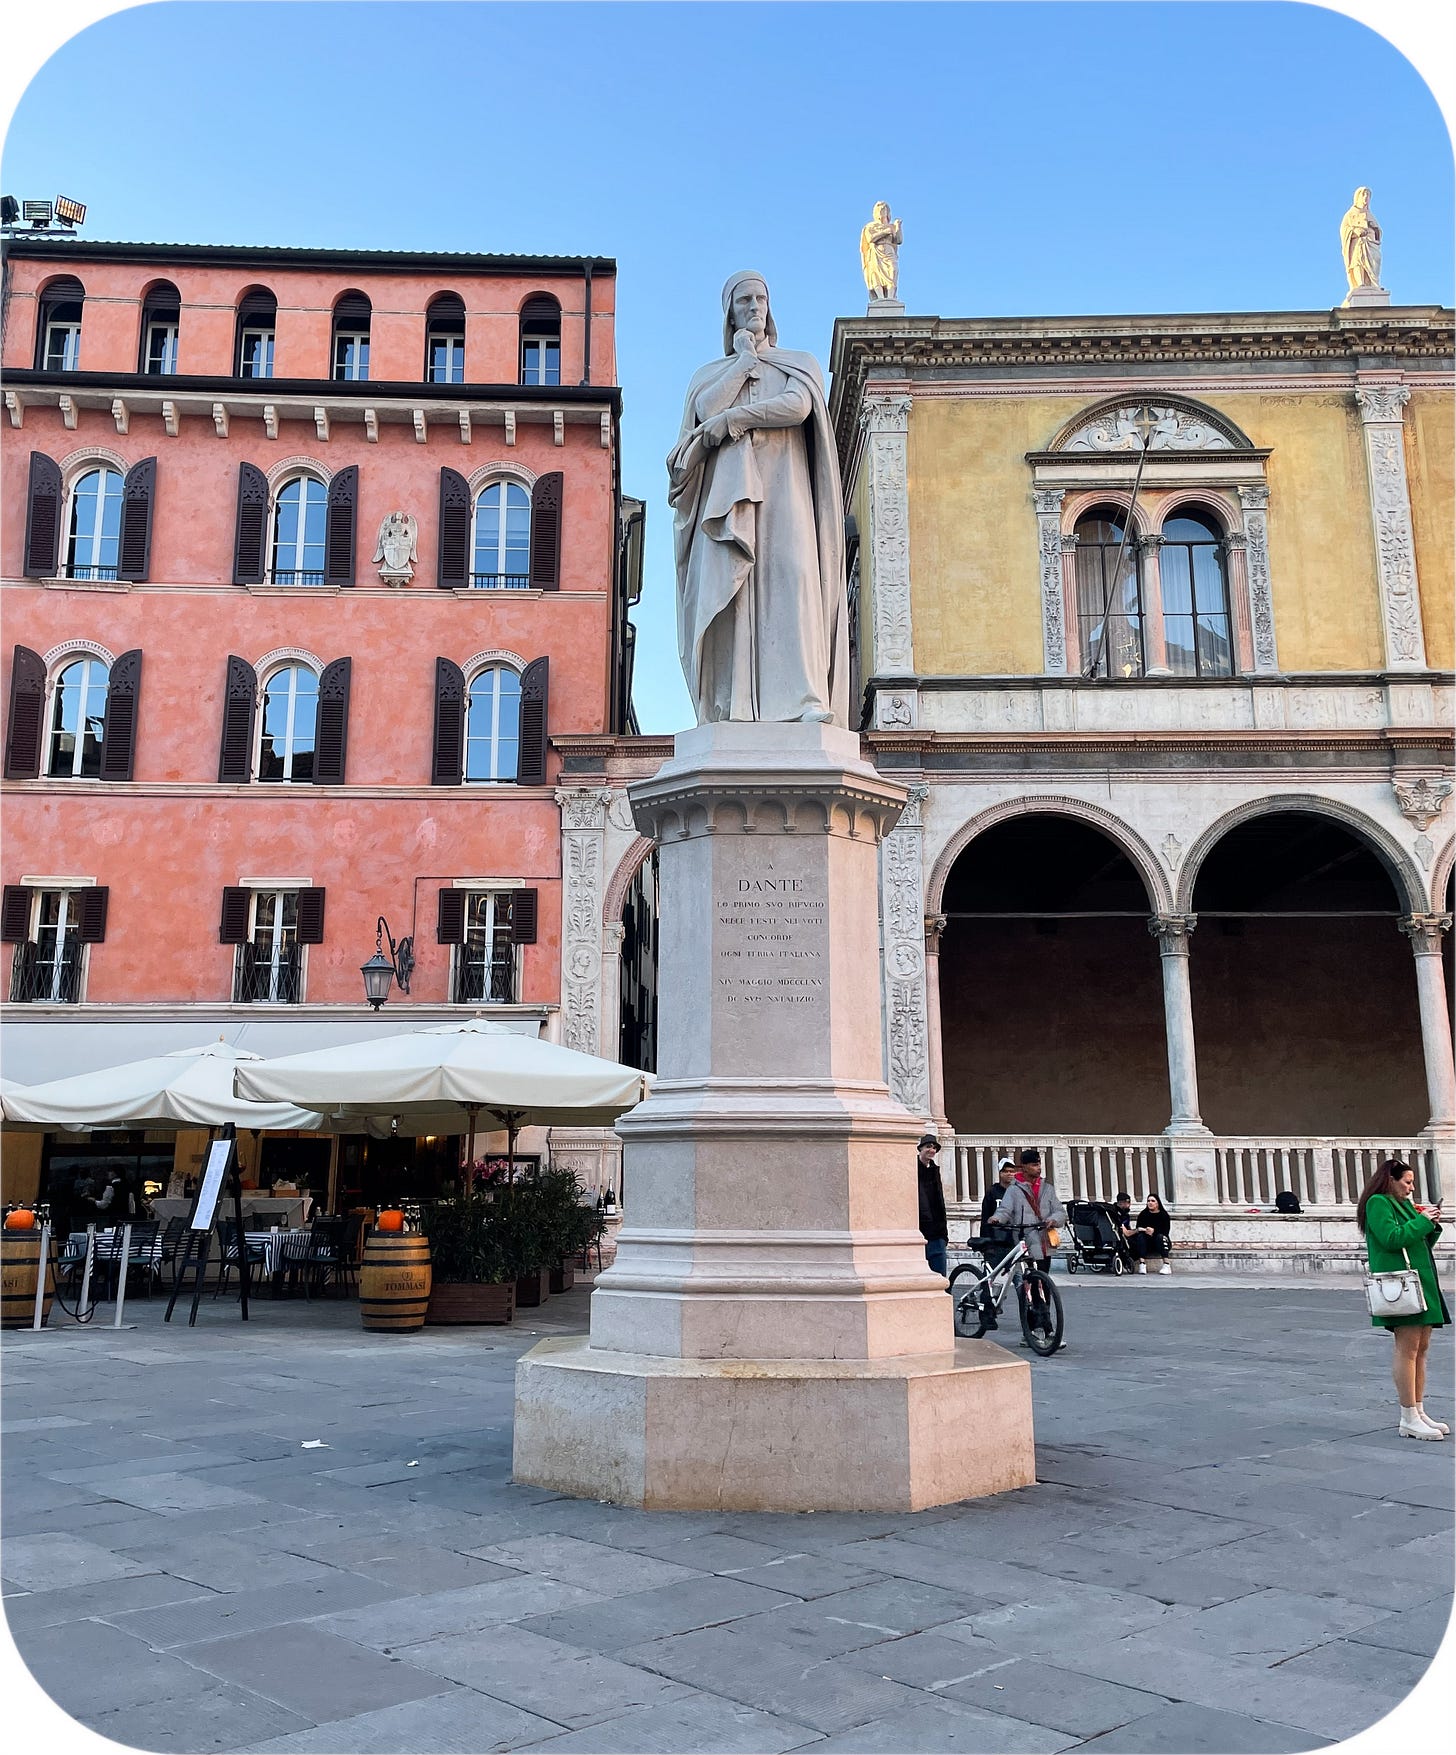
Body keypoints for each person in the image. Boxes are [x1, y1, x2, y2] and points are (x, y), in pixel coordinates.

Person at [668, 272, 850, 727]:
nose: (754, 306)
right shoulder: (709, 376)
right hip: (726, 502)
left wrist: (736, 419)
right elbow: (704, 412)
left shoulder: (797, 363)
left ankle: (806, 697)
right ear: (729, 312)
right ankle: (732, 706)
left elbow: (798, 407)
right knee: (733, 591)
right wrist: (743, 363)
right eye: (743, 299)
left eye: (760, 298)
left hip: (787, 494)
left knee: (795, 580)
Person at [1356, 1159, 1448, 1440]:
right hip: (1402, 1286)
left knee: (1421, 1348)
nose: (1410, 1188)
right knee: (1407, 1349)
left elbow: (1416, 1245)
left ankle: (1418, 1410)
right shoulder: (1378, 1203)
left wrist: (1430, 1225)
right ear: (1390, 1180)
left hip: (1421, 1283)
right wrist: (1421, 1221)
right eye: (1406, 1182)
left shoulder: (1405, 1205)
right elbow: (1391, 1239)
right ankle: (1407, 1415)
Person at [993, 1149, 1067, 1327]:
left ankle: (1045, 1324)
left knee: (1045, 1285)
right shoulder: (1014, 1189)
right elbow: (1005, 1209)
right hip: (1024, 1241)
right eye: (1034, 1165)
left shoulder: (1047, 1189)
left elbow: (1060, 1211)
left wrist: (1053, 1219)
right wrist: (997, 1218)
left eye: (1039, 1164)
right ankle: (1032, 1327)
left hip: (1043, 1243)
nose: (1038, 1168)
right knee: (1029, 1287)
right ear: (1024, 1167)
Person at [916, 1134, 949, 1280]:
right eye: (928, 1146)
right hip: (920, 1227)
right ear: (920, 1148)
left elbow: (939, 1200)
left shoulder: (935, 1170)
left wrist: (944, 1232)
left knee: (940, 1275)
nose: (932, 1150)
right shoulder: (913, 1168)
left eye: (934, 1148)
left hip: (937, 1229)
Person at [1131, 1193, 1173, 1272]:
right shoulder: (1143, 1214)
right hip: (1147, 1243)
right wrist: (1145, 1230)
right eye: (1148, 1201)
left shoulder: (1163, 1215)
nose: (1150, 1203)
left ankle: (1166, 1264)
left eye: (1153, 1201)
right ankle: (1142, 1264)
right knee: (1140, 1237)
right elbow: (1138, 1227)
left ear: (1157, 1203)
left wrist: (1154, 1231)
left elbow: (1166, 1231)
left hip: (1160, 1242)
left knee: (1161, 1237)